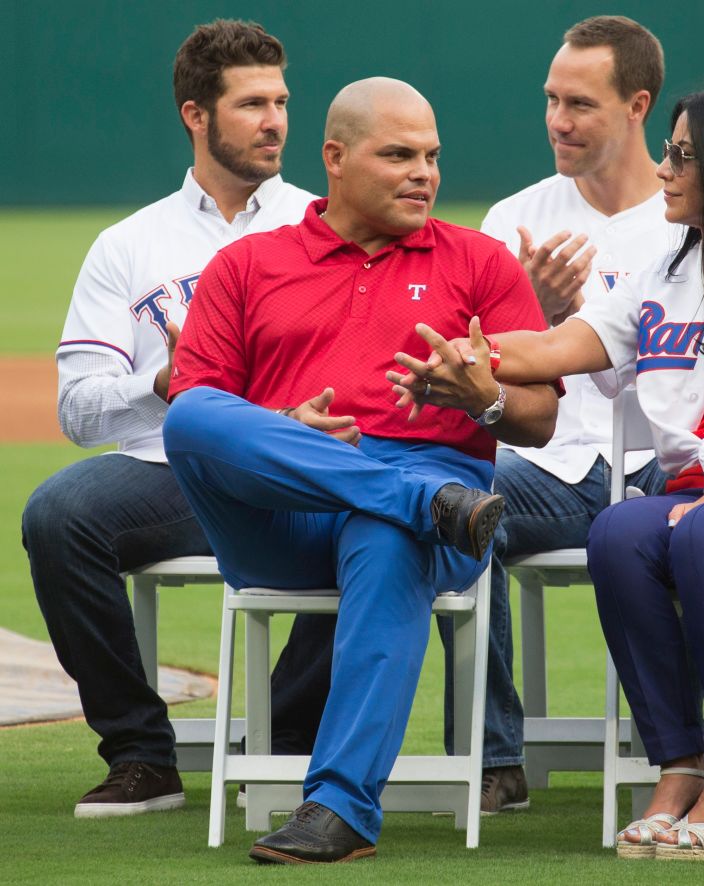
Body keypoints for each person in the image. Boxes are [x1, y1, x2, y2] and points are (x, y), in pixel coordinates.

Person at [395, 84, 704, 860]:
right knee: (620, 529)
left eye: (682, 156)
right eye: (668, 152)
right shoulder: (663, 278)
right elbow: (556, 348)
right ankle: (680, 762)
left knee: (703, 530)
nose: (663, 169)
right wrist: (461, 357)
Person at [162, 77, 557, 864]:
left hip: (421, 515)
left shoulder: (478, 263)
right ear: (335, 158)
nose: (424, 173)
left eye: (432, 157)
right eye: (399, 155)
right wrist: (281, 428)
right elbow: (199, 409)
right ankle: (413, 497)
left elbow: (539, 419)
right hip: (291, 512)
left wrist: (482, 400)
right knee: (191, 414)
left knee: (387, 533)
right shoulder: (245, 264)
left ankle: (338, 810)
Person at [20, 19, 321, 818]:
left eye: (282, 101)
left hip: (300, 464)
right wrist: (163, 379)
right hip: (171, 470)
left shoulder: (319, 225)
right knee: (56, 516)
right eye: (252, 102)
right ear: (197, 115)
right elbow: (80, 410)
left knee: (385, 521)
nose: (275, 121)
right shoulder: (130, 244)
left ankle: (282, 744)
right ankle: (141, 754)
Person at [436, 14, 674, 813]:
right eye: (550, 99)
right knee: (453, 503)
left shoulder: (688, 214)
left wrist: (577, 332)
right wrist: (535, 317)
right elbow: (473, 363)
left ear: (638, 105)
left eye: (581, 104)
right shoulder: (513, 218)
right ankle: (491, 754)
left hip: (664, 465)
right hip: (543, 463)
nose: (558, 121)